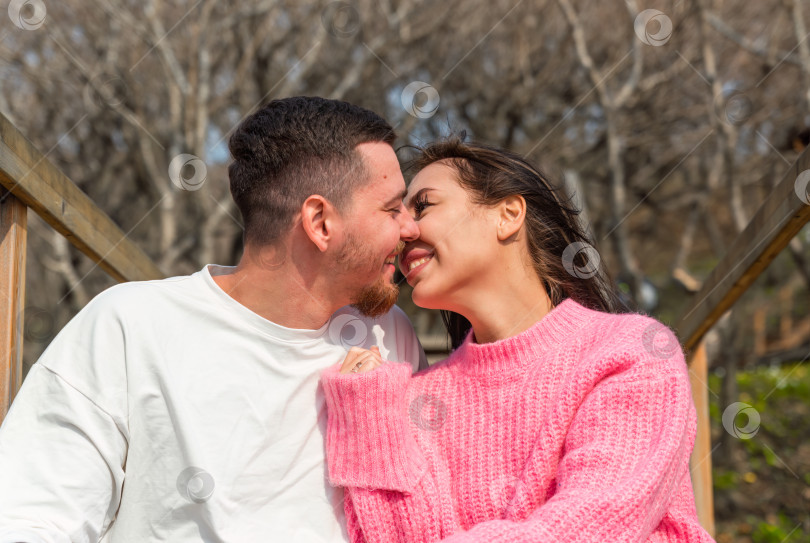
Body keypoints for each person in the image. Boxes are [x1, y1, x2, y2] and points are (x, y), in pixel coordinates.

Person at [0, 96, 428, 542]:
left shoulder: (389, 335)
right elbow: (29, 519)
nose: (410, 229)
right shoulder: (129, 327)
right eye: (392, 209)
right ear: (320, 222)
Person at [320, 138, 716, 542]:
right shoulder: (413, 400)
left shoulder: (630, 353)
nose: (405, 231)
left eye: (424, 206)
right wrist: (367, 415)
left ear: (508, 215)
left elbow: (592, 525)